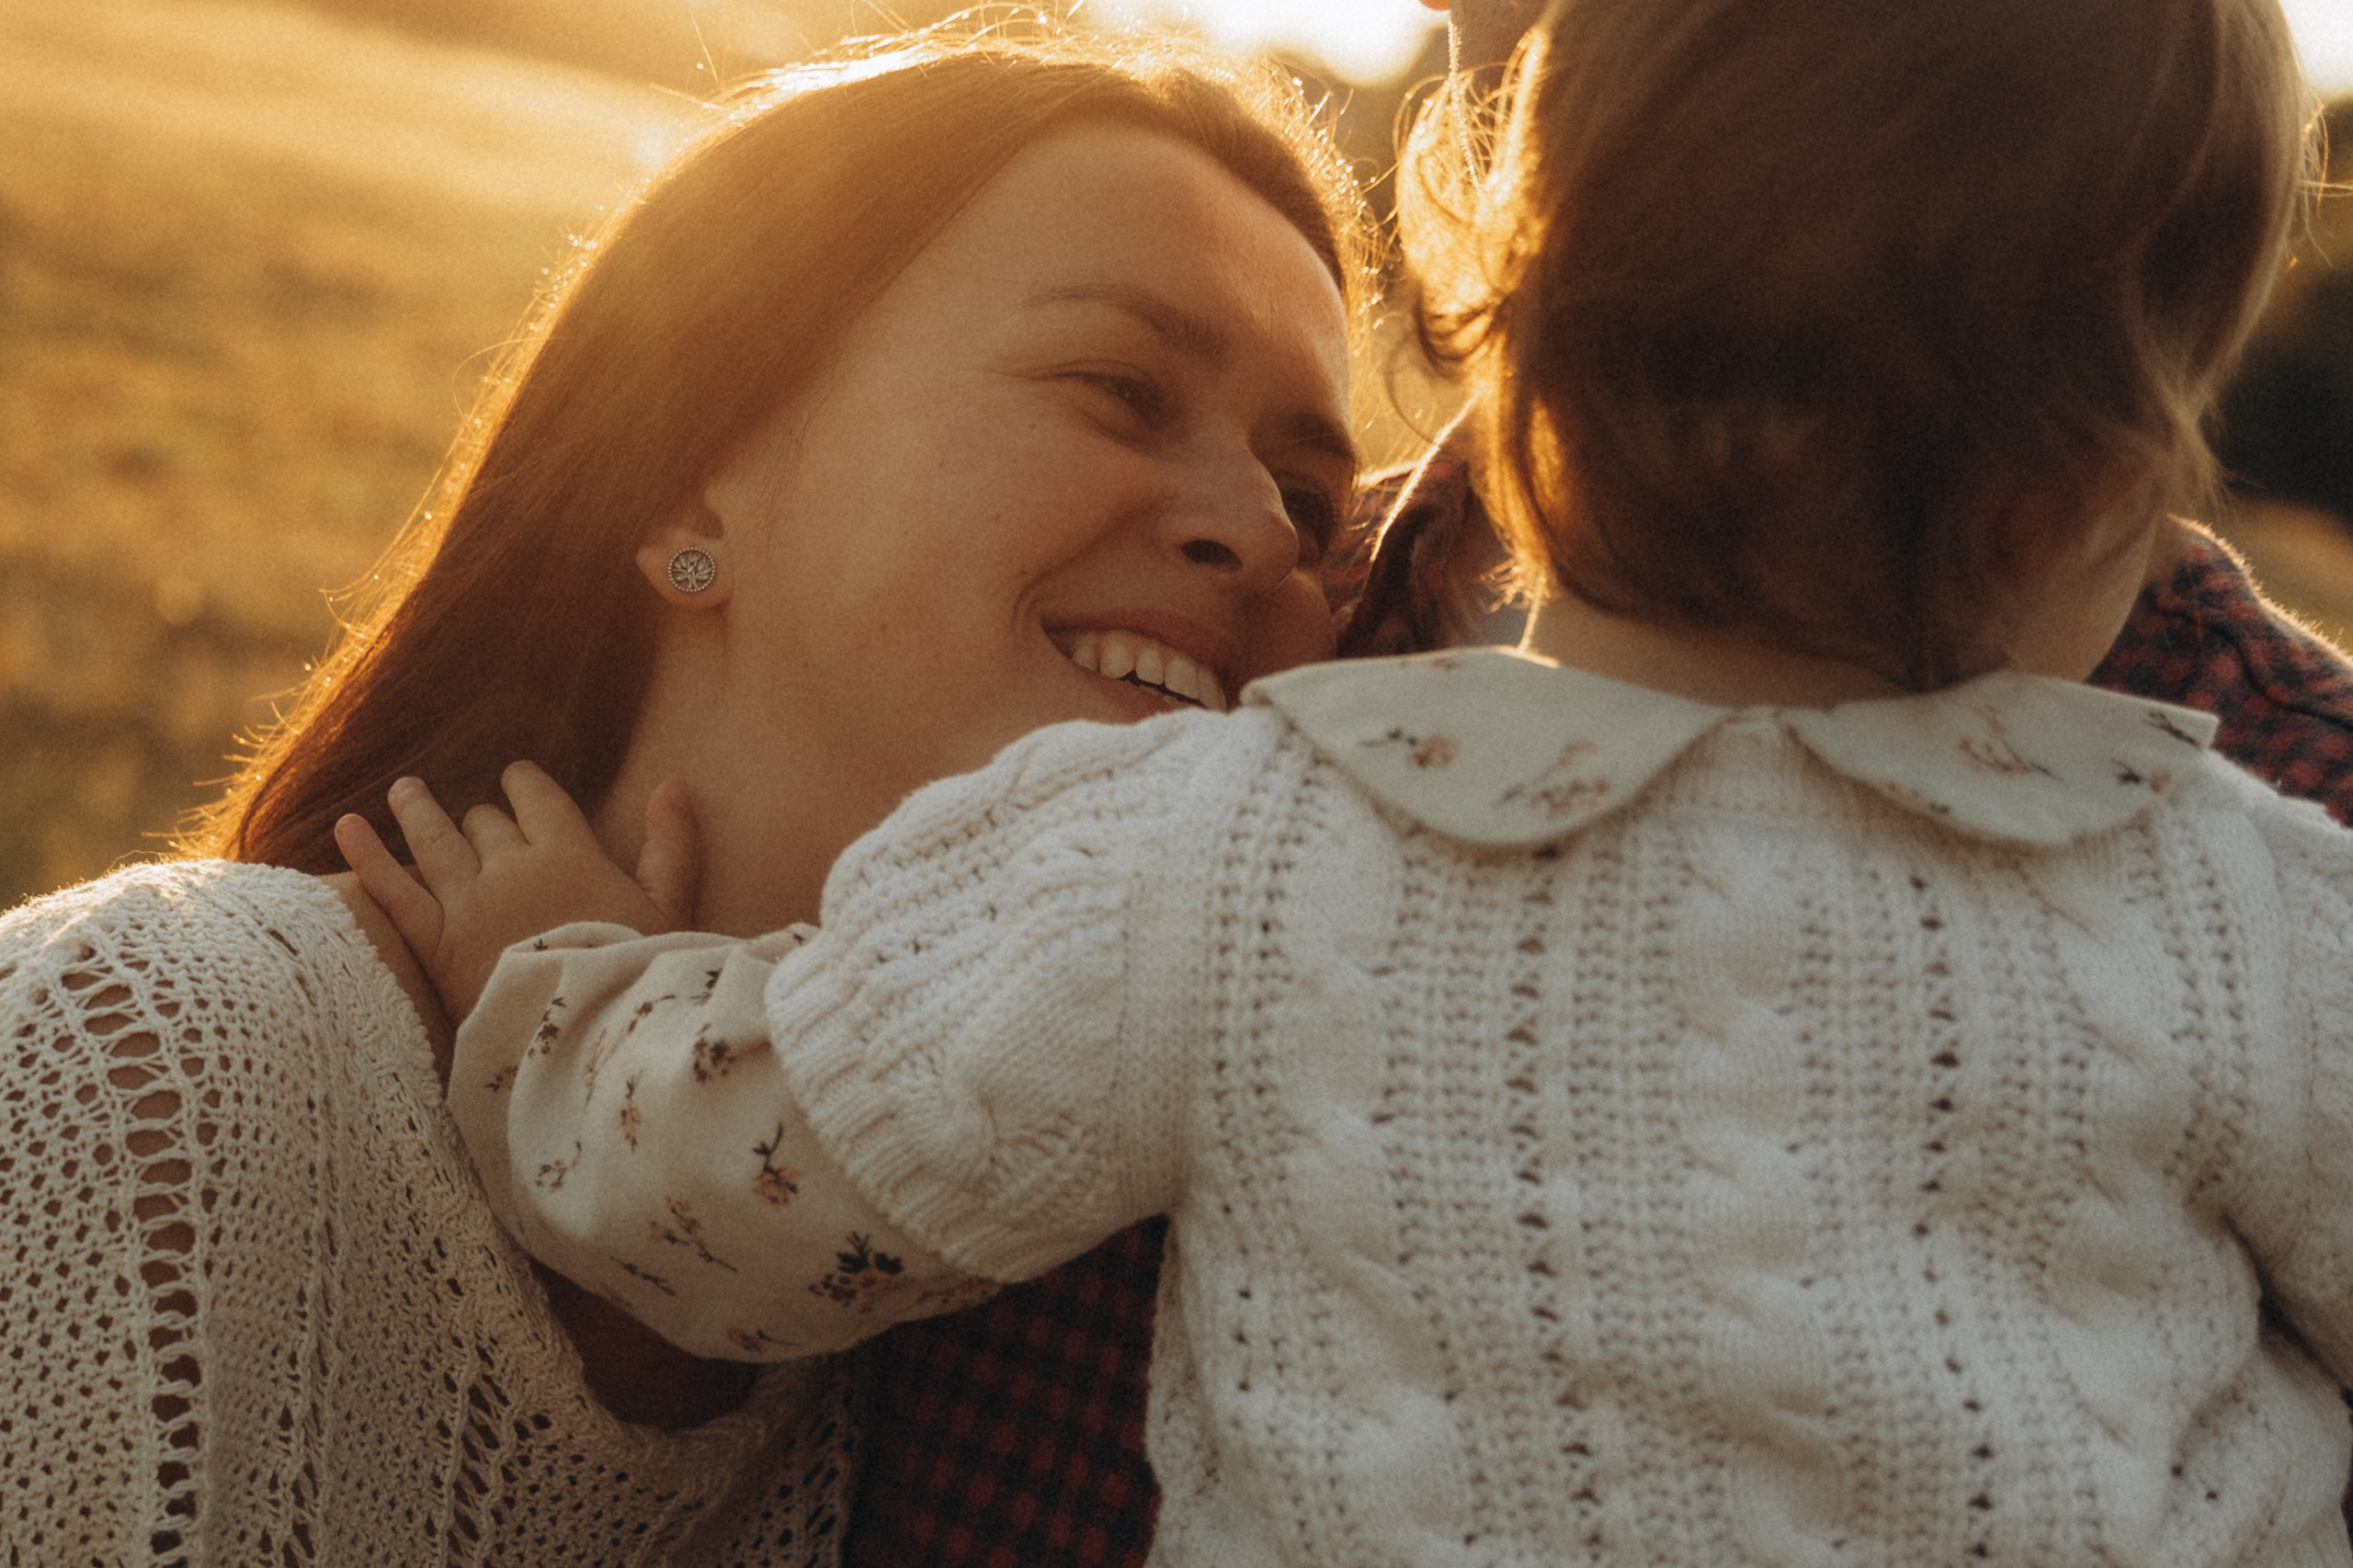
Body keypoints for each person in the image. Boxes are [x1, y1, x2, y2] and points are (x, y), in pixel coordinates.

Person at [362, 0, 2353, 1562]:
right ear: (2100, 483)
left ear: (1504, 352)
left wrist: (572, 983)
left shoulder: (1237, 846)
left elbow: (740, 1191)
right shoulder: (2246, 908)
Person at [0, 24, 1370, 1563]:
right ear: (691, 479)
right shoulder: (147, 1069)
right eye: (1121, 387)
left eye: (1312, 501)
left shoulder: (1054, 1332)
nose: (1258, 530)